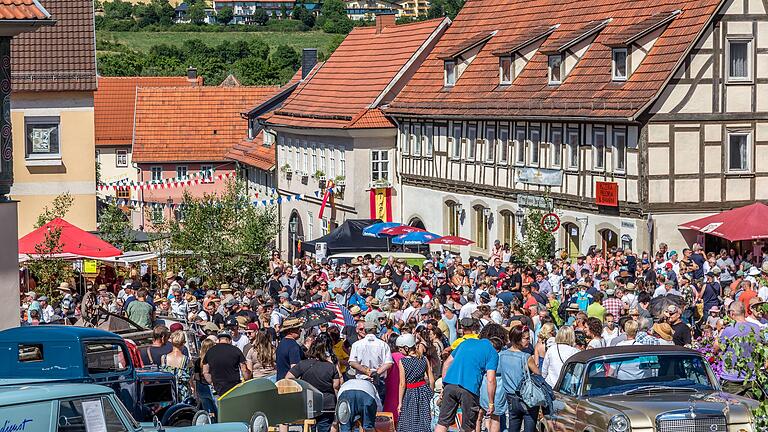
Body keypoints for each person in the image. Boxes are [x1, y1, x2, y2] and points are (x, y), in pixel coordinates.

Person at [435, 330, 500, 432]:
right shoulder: (492, 352)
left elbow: (447, 363)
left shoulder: (466, 342)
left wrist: (444, 386)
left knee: (442, 422)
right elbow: (491, 379)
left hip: (450, 384)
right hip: (469, 389)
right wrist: (491, 403)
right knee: (468, 427)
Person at [287, 334, 340, 432]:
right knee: (324, 428)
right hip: (327, 403)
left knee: (309, 427)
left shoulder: (302, 364)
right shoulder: (331, 367)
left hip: (308, 401)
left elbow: (288, 378)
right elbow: (336, 386)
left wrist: (299, 389)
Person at [715, 301, 762, 395]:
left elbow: (716, 348)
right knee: (750, 408)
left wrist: (720, 331)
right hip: (751, 378)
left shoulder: (729, 329)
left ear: (732, 313)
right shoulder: (756, 328)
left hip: (732, 379)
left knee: (732, 409)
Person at [501, 325, 540, 432]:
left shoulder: (502, 355)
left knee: (513, 427)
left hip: (510, 397)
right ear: (518, 339)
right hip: (527, 398)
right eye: (526, 338)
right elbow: (538, 374)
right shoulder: (526, 357)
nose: (529, 341)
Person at [396, 333, 434, 432]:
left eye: (400, 349)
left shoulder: (403, 361)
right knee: (424, 419)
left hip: (410, 393)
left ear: (406, 348)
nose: (399, 351)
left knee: (409, 420)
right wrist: (431, 393)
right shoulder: (423, 358)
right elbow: (431, 379)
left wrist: (400, 403)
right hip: (424, 391)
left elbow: (402, 384)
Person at [349, 320, 393, 401]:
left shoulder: (356, 345)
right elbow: (389, 363)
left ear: (365, 330)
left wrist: (366, 371)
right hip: (379, 379)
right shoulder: (383, 344)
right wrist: (376, 373)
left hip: (362, 380)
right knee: (379, 406)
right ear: (375, 330)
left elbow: (352, 362)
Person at [160, 331, 193, 402]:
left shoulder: (164, 358)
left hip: (168, 393)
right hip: (183, 394)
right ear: (183, 343)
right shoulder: (187, 360)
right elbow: (190, 379)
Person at [194, 338, 218, 419]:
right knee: (217, 409)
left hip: (201, 387)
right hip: (212, 387)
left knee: (208, 411)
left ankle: (211, 424)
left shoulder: (198, 361)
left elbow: (197, 377)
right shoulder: (213, 359)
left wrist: (196, 391)